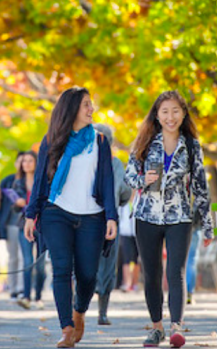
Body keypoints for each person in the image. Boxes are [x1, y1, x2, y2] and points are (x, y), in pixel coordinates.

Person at [23, 87, 118, 348]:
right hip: (56, 214)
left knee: (88, 275)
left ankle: (79, 312)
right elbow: (41, 179)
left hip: (92, 217)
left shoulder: (99, 141)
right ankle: (66, 328)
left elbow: (108, 182)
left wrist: (111, 217)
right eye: (86, 104)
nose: (92, 109)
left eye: (91, 104)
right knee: (62, 269)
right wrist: (31, 215)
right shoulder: (52, 140)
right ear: (72, 108)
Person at [124, 90, 213, 347]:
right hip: (146, 216)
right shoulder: (144, 141)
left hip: (180, 217)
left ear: (183, 114)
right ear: (157, 114)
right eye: (165, 112)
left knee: (176, 271)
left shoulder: (192, 145)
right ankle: (156, 328)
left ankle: (176, 327)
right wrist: (143, 181)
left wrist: (209, 226)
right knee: (152, 274)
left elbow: (200, 186)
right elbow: (129, 174)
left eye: (175, 111)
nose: (170, 117)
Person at [92, 123, 133, 325]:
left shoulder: (83, 162)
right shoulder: (116, 163)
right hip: (110, 220)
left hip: (86, 219)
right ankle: (103, 312)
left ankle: (76, 308)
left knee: (82, 263)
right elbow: (125, 192)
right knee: (108, 265)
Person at [13, 151, 47, 309]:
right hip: (23, 226)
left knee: (40, 264)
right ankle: (26, 296)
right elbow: (13, 208)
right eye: (24, 161)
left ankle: (38, 296)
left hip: (41, 226)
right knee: (27, 261)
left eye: (30, 161)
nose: (26, 163)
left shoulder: (43, 181)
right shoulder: (18, 183)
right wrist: (18, 203)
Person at [0, 152, 26, 302]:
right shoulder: (7, 181)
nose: (23, 164)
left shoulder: (31, 180)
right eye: (20, 161)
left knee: (24, 257)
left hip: (25, 223)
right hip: (10, 223)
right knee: (13, 257)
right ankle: (13, 288)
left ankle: (22, 289)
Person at [118, 195, 140, 292]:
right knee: (126, 258)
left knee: (136, 259)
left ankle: (135, 283)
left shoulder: (139, 197)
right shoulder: (124, 200)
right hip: (125, 232)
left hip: (138, 232)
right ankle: (127, 283)